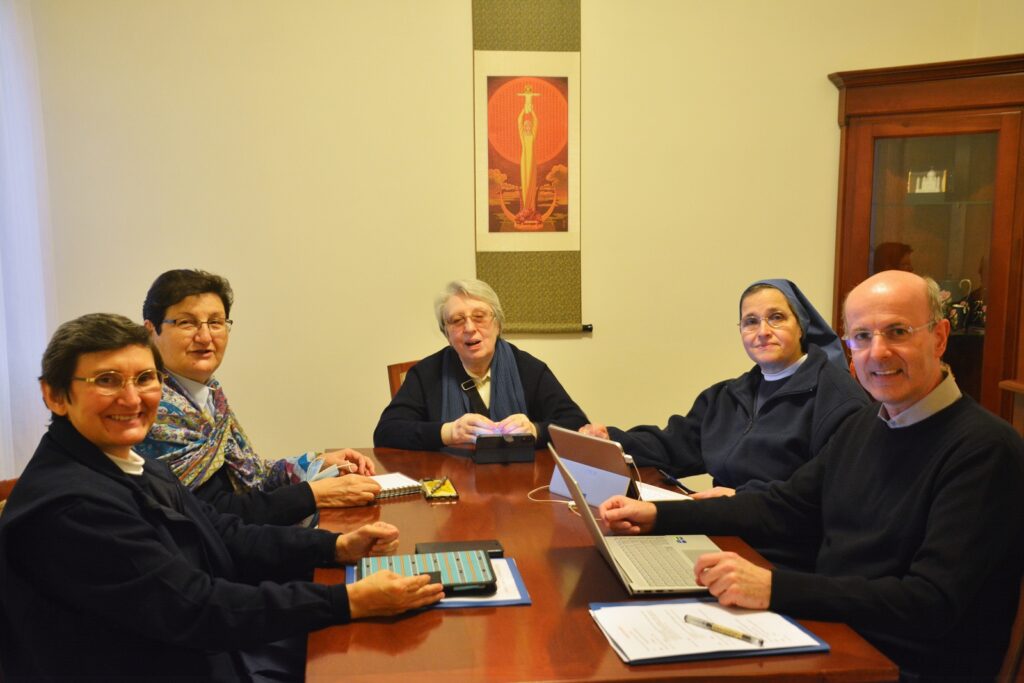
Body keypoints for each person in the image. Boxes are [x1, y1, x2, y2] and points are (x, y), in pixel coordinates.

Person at [598, 271, 1024, 680]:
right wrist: (658, 515)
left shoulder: (984, 449)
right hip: (833, 628)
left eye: (897, 332)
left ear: (940, 337)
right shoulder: (868, 425)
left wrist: (774, 588)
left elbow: (929, 603)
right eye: (862, 337)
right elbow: (784, 505)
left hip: (899, 662)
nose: (877, 352)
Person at [0, 314, 443, 681]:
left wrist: (335, 546)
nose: (132, 398)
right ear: (54, 395)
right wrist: (348, 601)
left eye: (145, 378)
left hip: (202, 648)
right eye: (107, 380)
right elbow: (195, 607)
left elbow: (224, 532)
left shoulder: (127, 461)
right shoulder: (73, 507)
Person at [136, 269, 381, 526]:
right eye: (187, 323)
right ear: (151, 331)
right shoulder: (153, 407)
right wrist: (314, 494)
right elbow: (216, 513)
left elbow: (250, 474)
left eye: (216, 322)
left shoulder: (210, 393)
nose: (205, 336)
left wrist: (316, 463)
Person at [581, 279, 867, 497]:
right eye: (751, 322)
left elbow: (822, 493)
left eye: (776, 318)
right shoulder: (728, 395)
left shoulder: (837, 399)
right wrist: (612, 439)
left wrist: (739, 499)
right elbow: (676, 445)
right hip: (726, 524)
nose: (763, 332)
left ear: (802, 326)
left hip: (784, 543)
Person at [373, 278, 588, 451]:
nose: (469, 328)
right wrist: (448, 433)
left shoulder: (529, 369)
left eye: (479, 317)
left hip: (521, 483)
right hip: (449, 484)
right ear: (446, 333)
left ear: (497, 324)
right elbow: (386, 432)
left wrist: (535, 430)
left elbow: (576, 423)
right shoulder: (426, 374)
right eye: (457, 320)